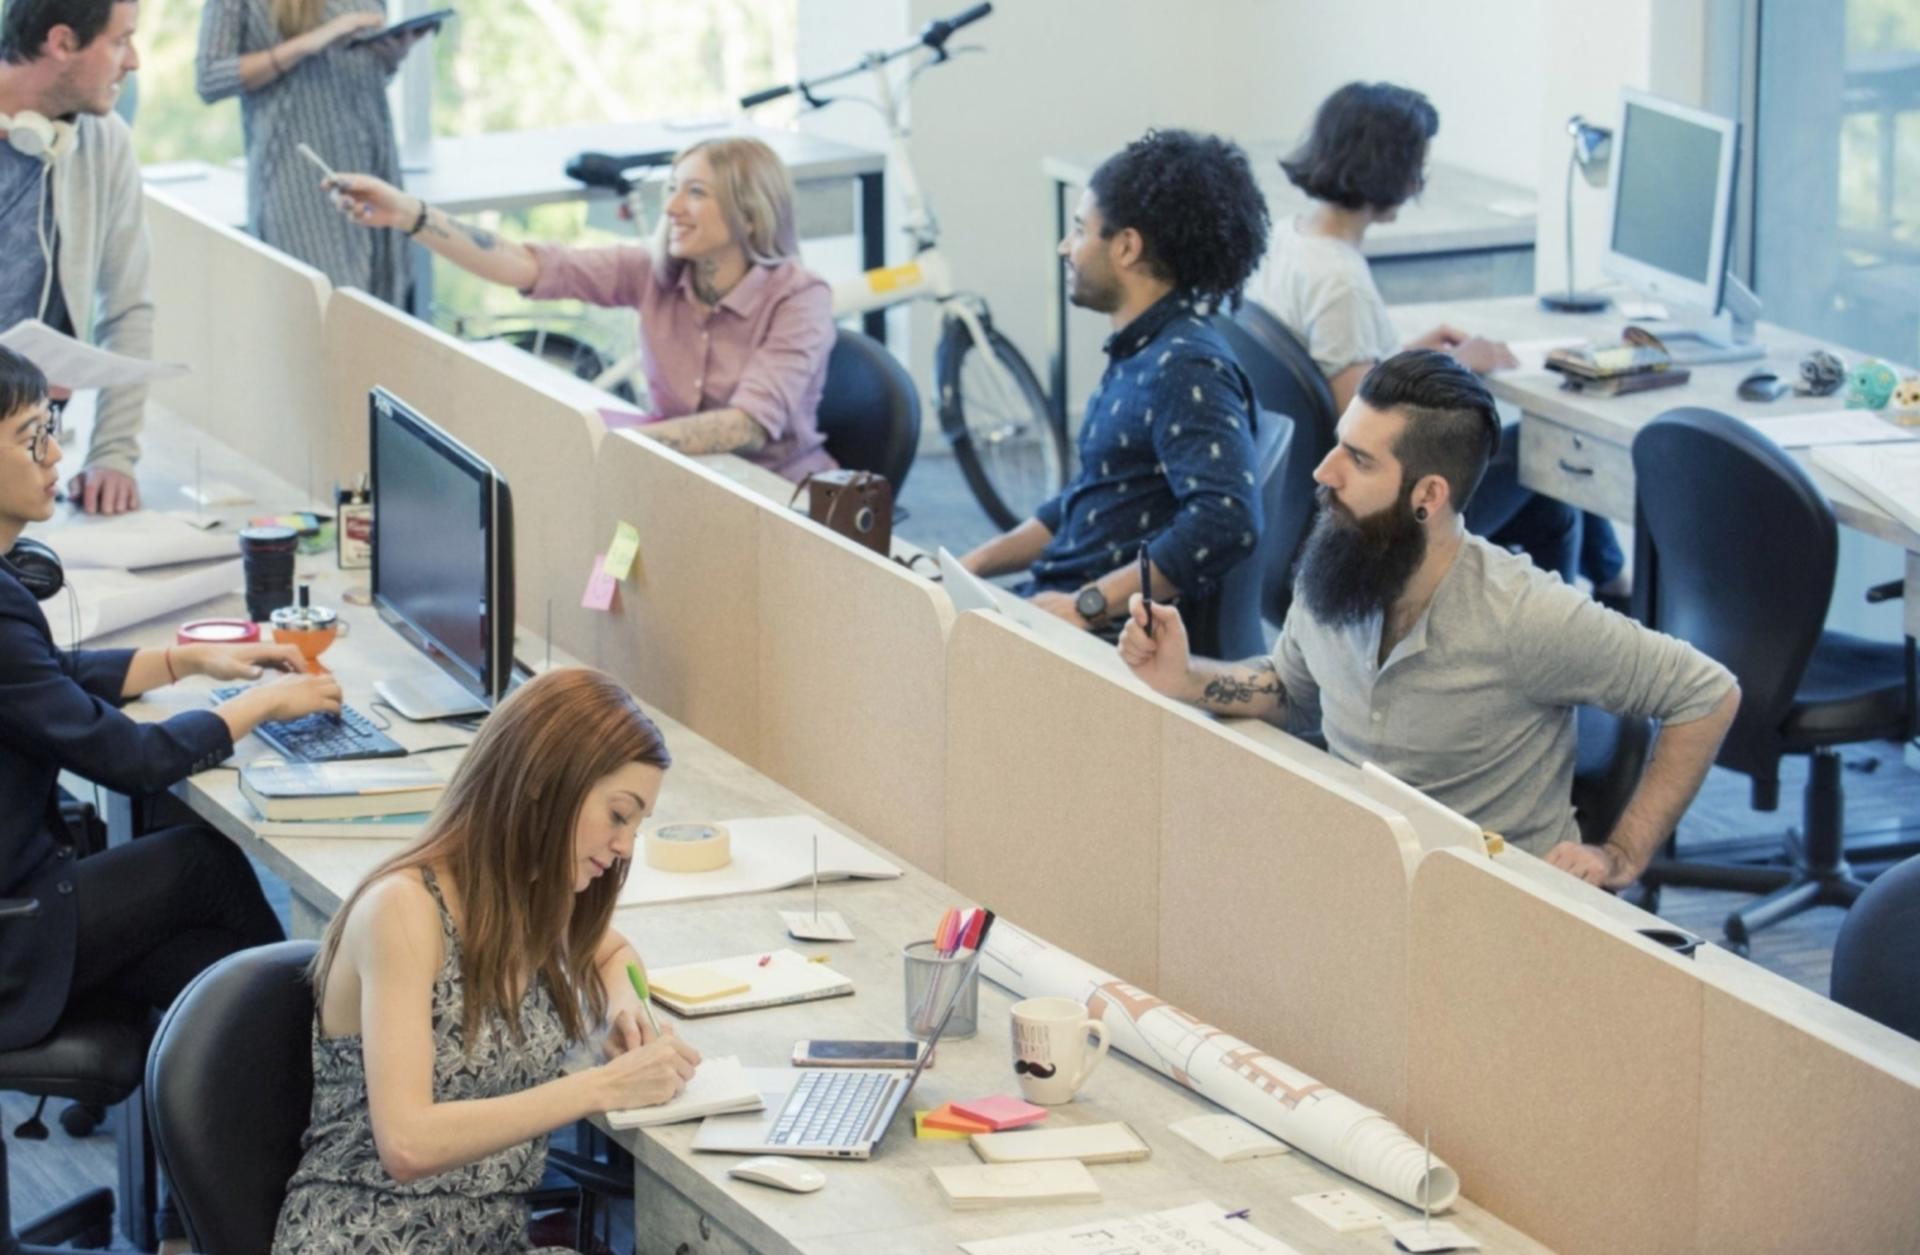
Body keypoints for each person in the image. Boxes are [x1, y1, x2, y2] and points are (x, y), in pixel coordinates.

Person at [1118, 350, 1740, 888]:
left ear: (1428, 495)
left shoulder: (1525, 614)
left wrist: (1621, 854)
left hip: (1491, 903)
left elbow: (1708, 693)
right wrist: (1186, 678)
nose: (1324, 471)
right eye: (1339, 443)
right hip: (1363, 877)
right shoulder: (1339, 555)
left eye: (1359, 460)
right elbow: (1296, 692)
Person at [272, 666, 702, 1253]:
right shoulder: (404, 909)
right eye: (619, 815)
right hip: (366, 1236)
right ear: (541, 785)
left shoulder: (528, 894)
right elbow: (407, 1144)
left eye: (637, 825)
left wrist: (627, 1015)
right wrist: (603, 1087)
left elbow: (611, 952)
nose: (626, 845)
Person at [0, 343, 342, 1050]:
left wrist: (183, 659)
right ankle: (320, 1063)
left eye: (50, 430)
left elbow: (45, 676)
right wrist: (261, 704)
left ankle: (286, 1071)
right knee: (200, 864)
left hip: (21, 890)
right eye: (31, 437)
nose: (54, 456)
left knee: (205, 966)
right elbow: (133, 759)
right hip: (14, 933)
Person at [1248, 81, 1625, 592]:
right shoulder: (1340, 283)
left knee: (1551, 504)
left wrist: (1403, 356)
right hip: (1373, 515)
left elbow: (1329, 374)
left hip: (1290, 510)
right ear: (1389, 169)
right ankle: (1609, 594)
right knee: (1543, 455)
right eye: (1416, 166)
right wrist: (1457, 366)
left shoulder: (1287, 240)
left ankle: (1611, 584)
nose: (1419, 181)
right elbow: (1364, 423)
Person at [324, 137, 840, 482]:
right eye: (672, 189)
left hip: (778, 493)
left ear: (750, 215)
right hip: (683, 477)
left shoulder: (800, 297)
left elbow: (746, 426)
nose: (671, 207)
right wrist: (407, 213)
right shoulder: (652, 271)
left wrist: (601, 447)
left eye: (696, 193)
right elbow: (524, 264)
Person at [959, 128, 1269, 634]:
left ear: (1126, 247)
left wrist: (1089, 604)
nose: (1066, 247)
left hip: (1102, 637)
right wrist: (969, 565)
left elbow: (1228, 520)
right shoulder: (1143, 347)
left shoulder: (1185, 368)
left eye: (1080, 230)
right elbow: (1086, 499)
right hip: (1058, 603)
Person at [0, 0, 151, 514]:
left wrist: (113, 454)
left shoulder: (104, 142)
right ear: (62, 42)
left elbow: (128, 308)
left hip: (28, 457)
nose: (133, 61)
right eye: (120, 40)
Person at [195, 0, 434, 307]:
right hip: (302, 187)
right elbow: (210, 78)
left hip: (375, 167)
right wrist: (311, 42)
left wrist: (390, 57)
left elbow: (362, 74)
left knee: (385, 316)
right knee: (324, 313)